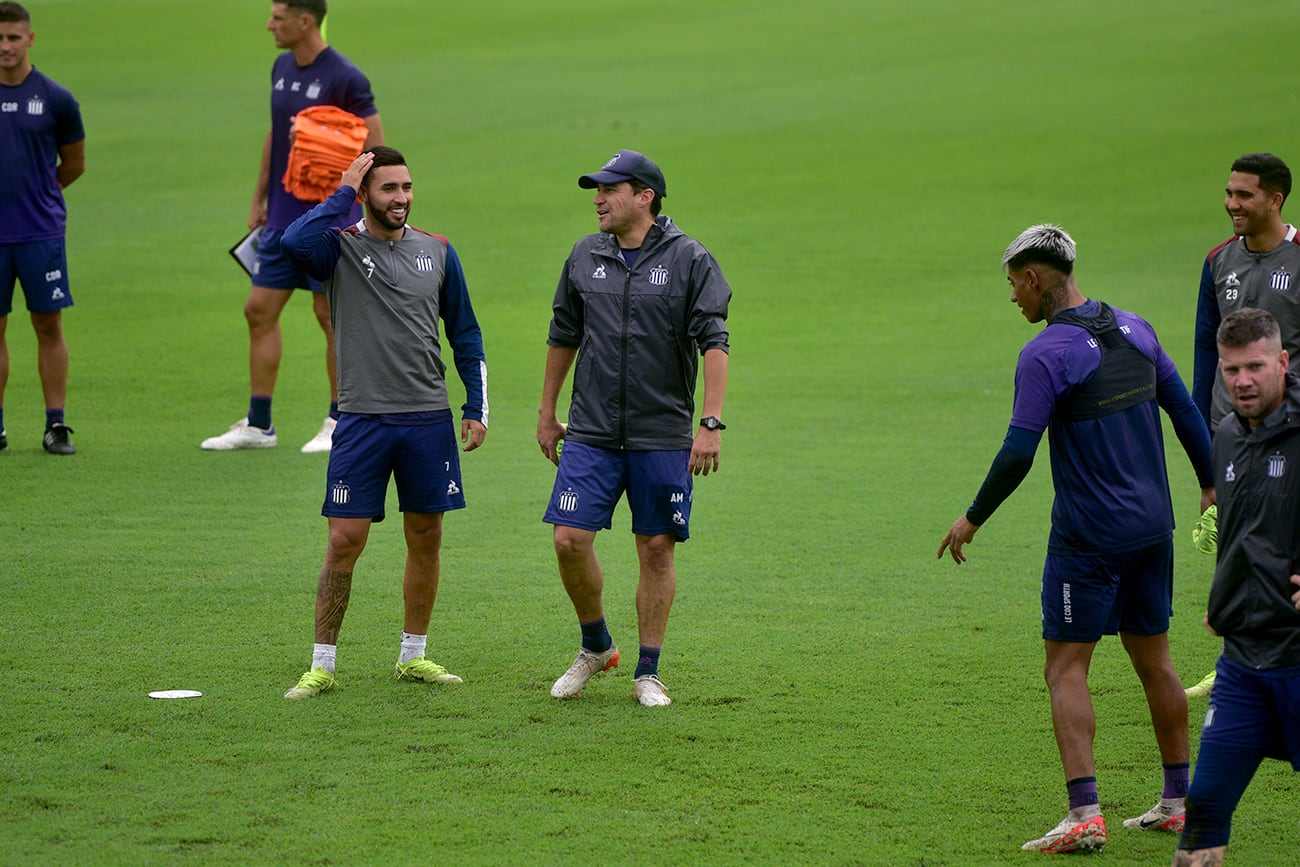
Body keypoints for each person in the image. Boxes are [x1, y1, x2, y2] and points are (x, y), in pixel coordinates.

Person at [936, 224, 1215, 854]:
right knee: (1156, 662)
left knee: (1065, 667)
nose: (1013, 299)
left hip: (1088, 540)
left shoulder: (1046, 354)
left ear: (1035, 279)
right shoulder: (1137, 329)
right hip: (1153, 529)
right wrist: (1209, 483)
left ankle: (1084, 812)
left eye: (1013, 285)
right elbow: (1186, 411)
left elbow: (1017, 453)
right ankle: (1179, 800)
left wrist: (972, 518)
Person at [278, 147, 488, 699]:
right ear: (366, 192)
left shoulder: (438, 251)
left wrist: (475, 407)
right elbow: (291, 243)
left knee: (426, 537)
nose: (401, 198)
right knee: (344, 541)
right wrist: (341, 192)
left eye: (407, 188)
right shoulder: (338, 248)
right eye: (389, 189)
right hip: (363, 419)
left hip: (427, 420)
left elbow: (465, 333)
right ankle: (322, 664)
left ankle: (413, 655)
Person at [537, 149, 731, 708]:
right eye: (595, 191)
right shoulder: (584, 255)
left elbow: (714, 343)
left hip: (662, 434)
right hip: (593, 432)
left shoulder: (690, 258)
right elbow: (563, 335)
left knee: (656, 550)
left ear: (644, 196)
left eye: (608, 190)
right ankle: (596, 645)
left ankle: (648, 671)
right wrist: (547, 412)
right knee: (569, 540)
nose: (597, 199)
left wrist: (710, 424)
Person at [201, 0, 383, 453]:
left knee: (330, 316)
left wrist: (365, 211)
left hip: (329, 219)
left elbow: (375, 148)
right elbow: (276, 132)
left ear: (305, 22)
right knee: (258, 309)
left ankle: (340, 420)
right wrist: (260, 196)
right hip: (282, 217)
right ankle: (259, 425)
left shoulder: (346, 77)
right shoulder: (281, 66)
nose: (270, 26)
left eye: (277, 19)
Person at [1173, 308, 1300, 867]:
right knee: (1204, 803)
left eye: (1254, 367)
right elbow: (1241, 529)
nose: (1242, 381)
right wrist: (1228, 594)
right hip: (1243, 660)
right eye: (1230, 370)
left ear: (1283, 361)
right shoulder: (1226, 433)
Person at [1186, 153, 1300, 700]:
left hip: (1289, 437)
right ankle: (1233, 657)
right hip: (1230, 436)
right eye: (1229, 192)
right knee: (1235, 547)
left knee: (1284, 546)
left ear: (1275, 199)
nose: (1231, 203)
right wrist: (1201, 447)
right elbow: (1205, 358)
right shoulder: (1217, 261)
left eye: (1244, 195)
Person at [0, 1, 84, 455]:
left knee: (48, 325)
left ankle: (56, 424)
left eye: (13, 37)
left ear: (30, 39)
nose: (5, 46)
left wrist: (38, 194)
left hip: (39, 233)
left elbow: (74, 163)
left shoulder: (56, 98)